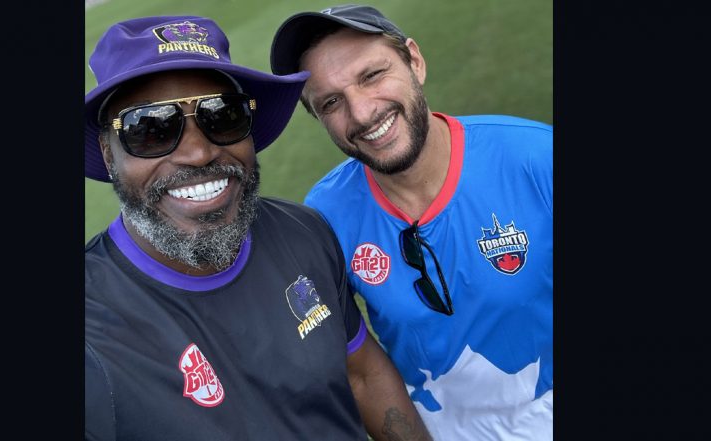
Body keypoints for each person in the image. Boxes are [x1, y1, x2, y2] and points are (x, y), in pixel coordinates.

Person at [84, 15, 432, 441]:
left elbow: (360, 373)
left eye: (222, 116)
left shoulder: (303, 232)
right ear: (107, 152)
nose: (198, 152)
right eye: (151, 128)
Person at [270, 4, 553, 440]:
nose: (362, 114)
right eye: (331, 102)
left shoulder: (535, 158)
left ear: (414, 61)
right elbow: (354, 364)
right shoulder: (327, 214)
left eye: (372, 75)